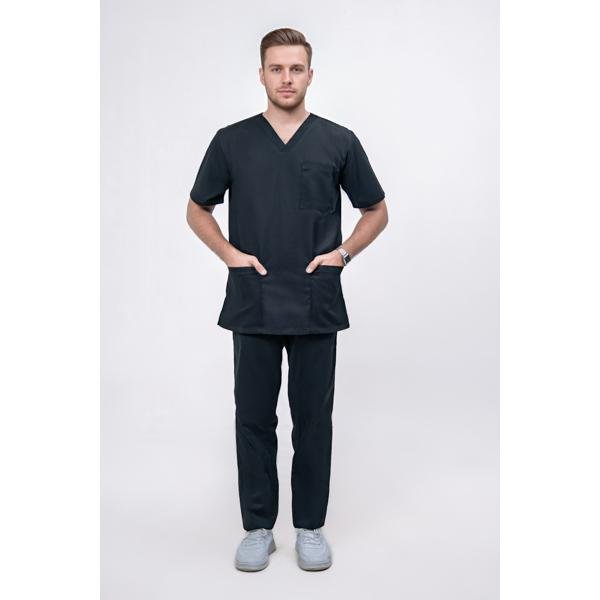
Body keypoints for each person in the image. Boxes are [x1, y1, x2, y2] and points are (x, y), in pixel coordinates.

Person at [186, 27, 388, 572]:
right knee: (253, 418)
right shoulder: (232, 141)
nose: (286, 78)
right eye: (276, 68)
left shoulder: (338, 141)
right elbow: (197, 208)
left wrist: (342, 254)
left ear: (310, 75)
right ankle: (258, 528)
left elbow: (376, 210)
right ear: (261, 75)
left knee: (312, 421)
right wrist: (229, 254)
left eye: (296, 68)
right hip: (252, 299)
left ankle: (309, 528)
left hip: (315, 300)